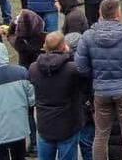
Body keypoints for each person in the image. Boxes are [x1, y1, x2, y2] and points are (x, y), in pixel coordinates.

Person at [74, 0, 122, 160]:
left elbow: (80, 67)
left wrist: (96, 77)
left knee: (101, 134)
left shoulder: (87, 37)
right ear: (118, 14)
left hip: (101, 91)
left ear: (100, 13)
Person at [28, 32, 84, 160]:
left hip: (45, 124)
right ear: (64, 46)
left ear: (45, 47)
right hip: (68, 125)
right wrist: (70, 55)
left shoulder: (33, 69)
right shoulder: (72, 70)